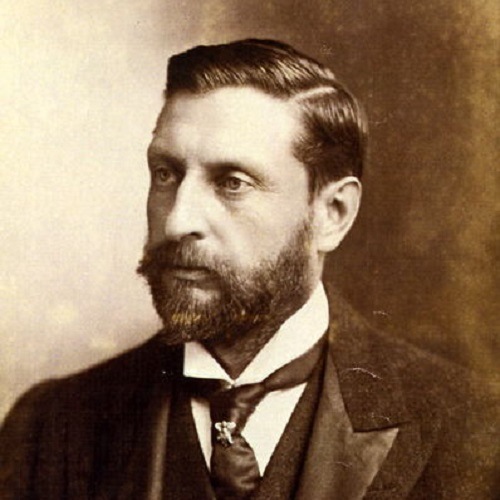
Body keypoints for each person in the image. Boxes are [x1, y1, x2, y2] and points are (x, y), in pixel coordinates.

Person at [0, 39, 497, 500]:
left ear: (332, 214)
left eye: (232, 182)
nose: (177, 221)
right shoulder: (48, 428)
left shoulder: (474, 428)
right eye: (166, 174)